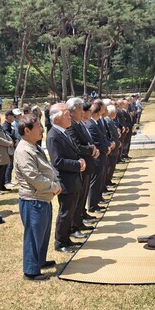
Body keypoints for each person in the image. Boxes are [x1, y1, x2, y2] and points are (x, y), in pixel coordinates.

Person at [16, 114, 61, 281]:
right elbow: (33, 177)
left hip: (42, 198)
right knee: (33, 236)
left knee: (42, 233)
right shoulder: (23, 150)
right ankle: (30, 270)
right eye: (38, 127)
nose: (42, 130)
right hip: (33, 200)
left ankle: (39, 260)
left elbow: (45, 169)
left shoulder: (33, 146)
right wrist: (54, 186)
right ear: (27, 131)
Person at [46, 103, 86, 253]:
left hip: (73, 178)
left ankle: (66, 238)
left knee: (71, 210)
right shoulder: (53, 136)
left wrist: (79, 162)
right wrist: (77, 164)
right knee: (65, 212)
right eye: (66, 115)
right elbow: (57, 161)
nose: (70, 117)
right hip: (65, 180)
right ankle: (60, 241)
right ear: (56, 119)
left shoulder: (64, 132)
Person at [66, 98, 98, 231]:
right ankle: (75, 224)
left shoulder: (79, 123)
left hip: (87, 164)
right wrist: (91, 150)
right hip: (80, 165)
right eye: (79, 109)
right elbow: (77, 146)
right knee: (78, 199)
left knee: (82, 196)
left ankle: (80, 219)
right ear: (72, 111)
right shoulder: (71, 125)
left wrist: (92, 149)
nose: (82, 112)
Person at [86, 101, 111, 214]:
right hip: (97, 158)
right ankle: (92, 205)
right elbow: (96, 142)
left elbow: (102, 137)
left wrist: (107, 147)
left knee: (99, 182)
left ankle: (96, 202)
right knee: (95, 182)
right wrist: (105, 149)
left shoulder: (95, 122)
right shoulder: (91, 124)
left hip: (101, 156)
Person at [3, 110, 17, 186]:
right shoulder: (5, 125)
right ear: (8, 117)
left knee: (11, 164)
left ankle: (8, 180)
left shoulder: (10, 124)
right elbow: (7, 135)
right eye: (12, 116)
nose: (13, 117)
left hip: (12, 146)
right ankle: (7, 181)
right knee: (9, 164)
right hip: (8, 147)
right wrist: (14, 138)